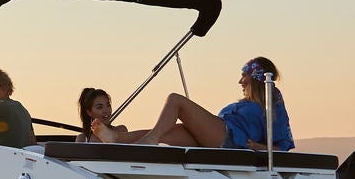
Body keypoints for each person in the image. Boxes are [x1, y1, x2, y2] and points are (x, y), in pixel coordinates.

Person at [125, 57, 294, 150]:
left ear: (256, 77)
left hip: (229, 139)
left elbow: (283, 145)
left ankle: (151, 140)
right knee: (166, 131)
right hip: (217, 135)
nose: (240, 81)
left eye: (244, 75)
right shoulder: (248, 103)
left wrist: (257, 146)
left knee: (176, 100)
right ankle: (117, 138)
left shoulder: (272, 103)